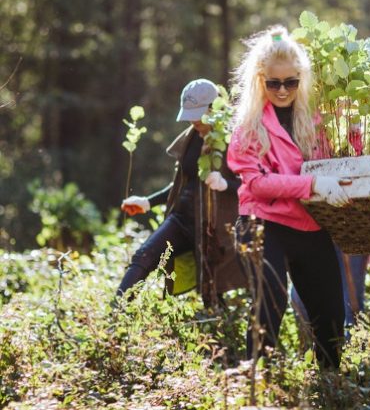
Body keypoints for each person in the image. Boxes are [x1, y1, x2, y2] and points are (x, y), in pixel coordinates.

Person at [226, 25, 352, 369]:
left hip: (311, 227)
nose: (283, 90)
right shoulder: (248, 127)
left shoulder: (313, 121)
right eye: (274, 83)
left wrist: (353, 129)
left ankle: (330, 385)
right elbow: (257, 183)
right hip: (262, 224)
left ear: (301, 79)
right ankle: (254, 383)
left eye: (291, 82)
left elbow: (337, 162)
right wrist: (310, 186)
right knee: (270, 303)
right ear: (260, 81)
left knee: (331, 314)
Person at [117, 79, 245, 307]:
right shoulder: (191, 138)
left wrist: (226, 184)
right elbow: (182, 183)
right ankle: (116, 314)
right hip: (181, 219)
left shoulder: (232, 139)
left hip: (213, 229)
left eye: (198, 113)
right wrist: (148, 202)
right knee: (144, 256)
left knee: (212, 291)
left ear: (214, 108)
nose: (193, 120)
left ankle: (220, 330)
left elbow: (252, 186)